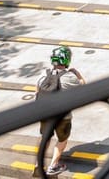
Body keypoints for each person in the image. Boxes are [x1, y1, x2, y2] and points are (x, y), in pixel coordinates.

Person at [34, 46, 86, 176]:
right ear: (67, 60)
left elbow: (36, 92)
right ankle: (53, 166)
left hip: (45, 114)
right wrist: (77, 73)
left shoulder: (43, 74)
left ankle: (38, 164)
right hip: (63, 116)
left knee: (44, 137)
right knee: (62, 139)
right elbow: (84, 86)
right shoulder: (69, 77)